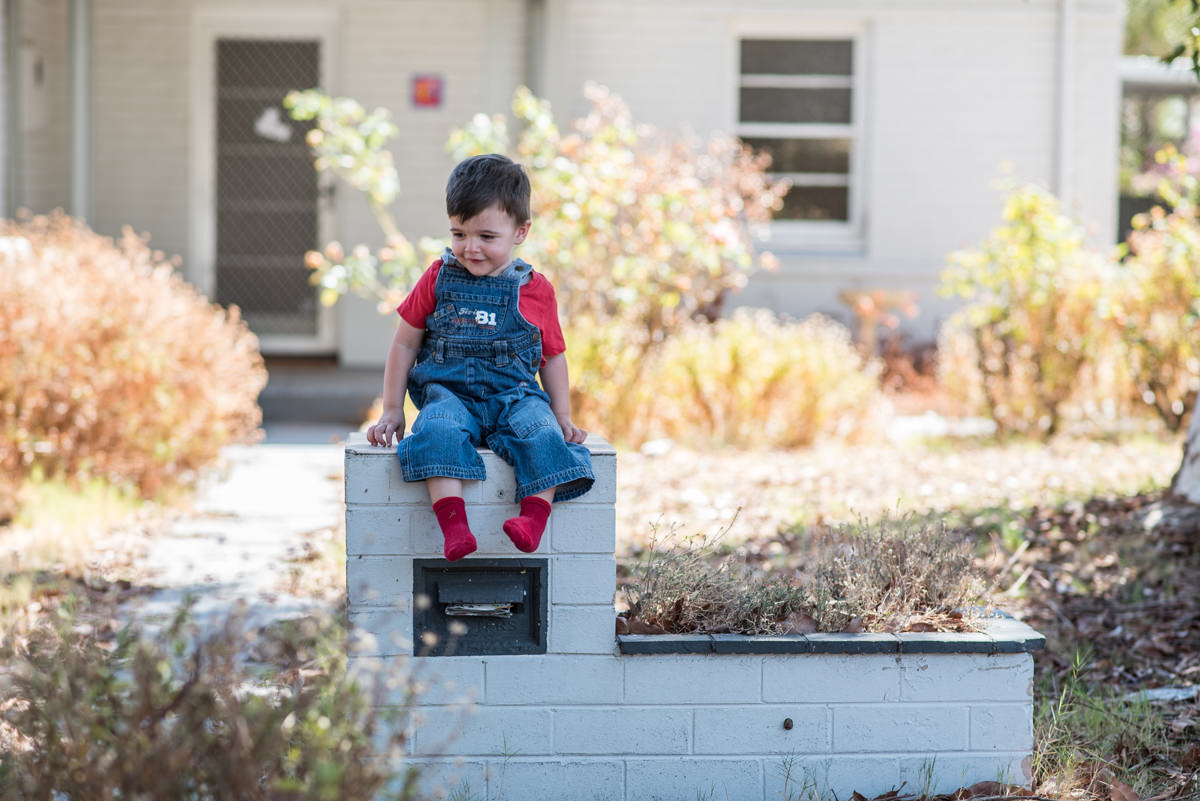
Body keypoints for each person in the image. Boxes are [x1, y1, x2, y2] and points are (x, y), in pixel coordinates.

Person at [365, 154, 594, 561]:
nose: (470, 248)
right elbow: (404, 343)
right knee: (435, 432)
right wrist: (390, 409)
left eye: (486, 237)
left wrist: (562, 414)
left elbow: (553, 356)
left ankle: (533, 518)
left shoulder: (535, 289)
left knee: (543, 435)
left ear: (520, 231)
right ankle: (454, 525)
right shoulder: (438, 277)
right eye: (459, 234)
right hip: (449, 395)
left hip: (516, 396)